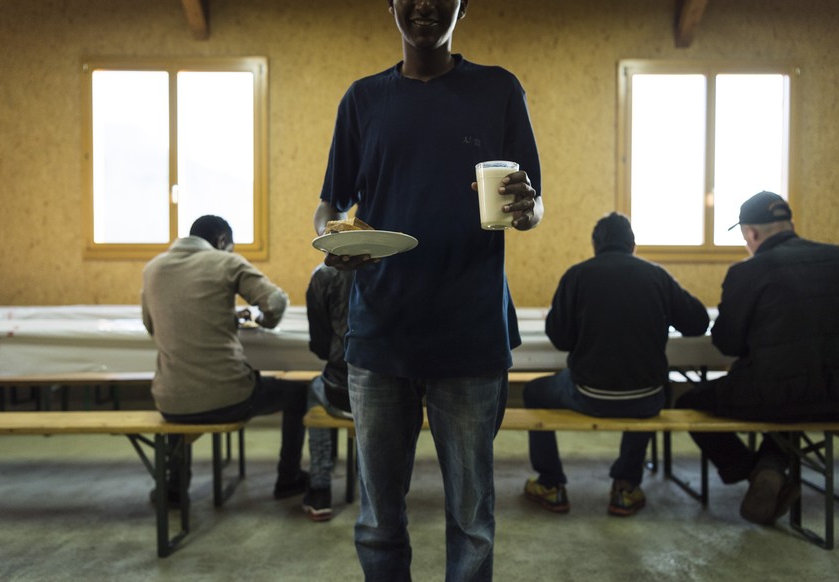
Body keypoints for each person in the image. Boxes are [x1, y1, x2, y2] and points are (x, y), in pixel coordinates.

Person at [313, 0, 543, 579]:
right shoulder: (364, 99)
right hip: (381, 335)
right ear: (390, 4)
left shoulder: (499, 90)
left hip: (471, 335)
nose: (425, 5)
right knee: (378, 521)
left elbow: (532, 202)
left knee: (472, 522)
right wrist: (335, 239)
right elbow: (329, 205)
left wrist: (528, 208)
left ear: (463, 5)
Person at [676, 191, 839, 525]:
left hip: (773, 395)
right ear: (789, 224)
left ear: (751, 233)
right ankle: (769, 466)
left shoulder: (749, 272)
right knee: (799, 402)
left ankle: (753, 471)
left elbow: (727, 343)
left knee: (688, 401)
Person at [522, 212, 709, 517]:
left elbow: (560, 339)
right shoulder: (656, 275)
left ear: (595, 244)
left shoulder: (577, 275)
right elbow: (698, 322)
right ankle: (625, 486)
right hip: (646, 396)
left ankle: (551, 483)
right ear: (633, 244)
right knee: (647, 389)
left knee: (532, 393)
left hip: (587, 392)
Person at [141, 215, 308, 503]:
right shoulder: (226, 262)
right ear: (221, 242)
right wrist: (264, 321)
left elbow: (151, 325)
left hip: (170, 403)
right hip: (230, 400)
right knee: (300, 393)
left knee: (181, 381)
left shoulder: (153, 269)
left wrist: (224, 318)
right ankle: (289, 477)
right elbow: (276, 301)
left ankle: (174, 487)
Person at [302, 263, 353, 522]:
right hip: (393, 385)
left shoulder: (325, 275)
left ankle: (321, 488)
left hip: (342, 390)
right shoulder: (391, 263)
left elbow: (321, 346)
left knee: (314, 390)